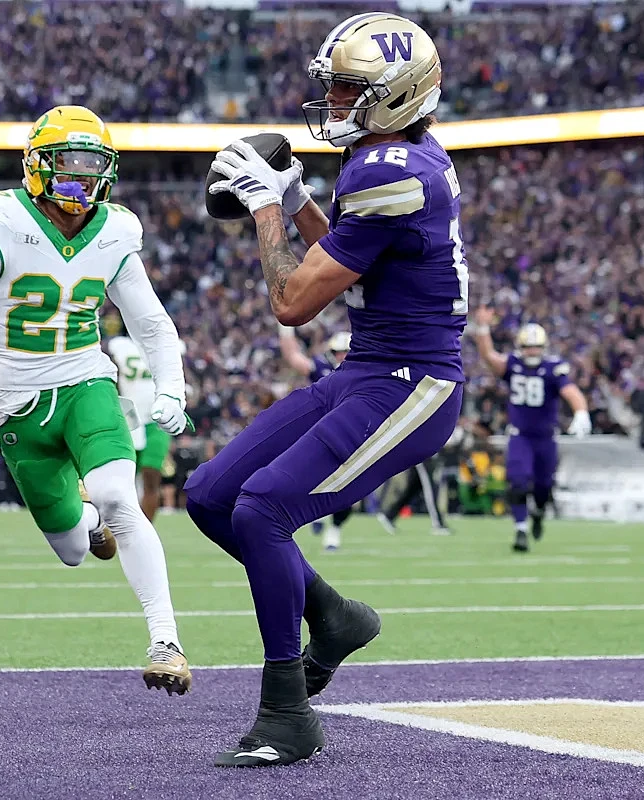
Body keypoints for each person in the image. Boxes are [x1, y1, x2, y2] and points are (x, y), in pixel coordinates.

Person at [185, 13, 466, 766]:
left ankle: (286, 712)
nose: (334, 100)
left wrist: (265, 207)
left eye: (349, 88)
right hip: (366, 370)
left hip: (412, 385)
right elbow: (347, 256)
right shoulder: (397, 155)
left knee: (262, 510)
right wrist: (298, 198)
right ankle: (334, 618)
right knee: (210, 495)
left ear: (397, 94)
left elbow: (293, 302)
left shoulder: (387, 170)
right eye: (334, 85)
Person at [0, 105, 192, 694]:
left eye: (93, 165)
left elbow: (151, 322)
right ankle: (91, 522)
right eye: (69, 163)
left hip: (85, 383)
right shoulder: (0, 223)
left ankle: (166, 641)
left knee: (120, 497)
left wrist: (171, 387)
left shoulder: (115, 231)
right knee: (74, 549)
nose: (82, 177)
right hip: (15, 404)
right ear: (38, 165)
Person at [468, 312, 592, 552]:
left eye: (536, 347)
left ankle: (539, 512)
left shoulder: (552, 368)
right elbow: (489, 357)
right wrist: (482, 328)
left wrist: (581, 411)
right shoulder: (513, 365)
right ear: (520, 347)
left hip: (546, 437)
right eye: (527, 347)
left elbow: (570, 391)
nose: (532, 352)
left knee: (544, 487)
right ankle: (521, 529)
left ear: (543, 347)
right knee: (517, 481)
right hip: (520, 435)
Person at [279, 328, 355, 551]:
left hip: (350, 433)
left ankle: (334, 529)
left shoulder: (363, 371)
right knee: (308, 477)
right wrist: (285, 329)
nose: (343, 356)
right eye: (339, 352)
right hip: (320, 432)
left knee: (350, 485)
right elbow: (294, 357)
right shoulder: (322, 368)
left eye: (347, 351)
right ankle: (317, 513)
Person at [106, 332, 184, 522]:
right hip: (128, 418)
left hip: (157, 419)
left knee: (151, 478)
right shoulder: (119, 345)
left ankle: (145, 530)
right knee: (120, 482)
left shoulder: (169, 342)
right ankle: (118, 528)